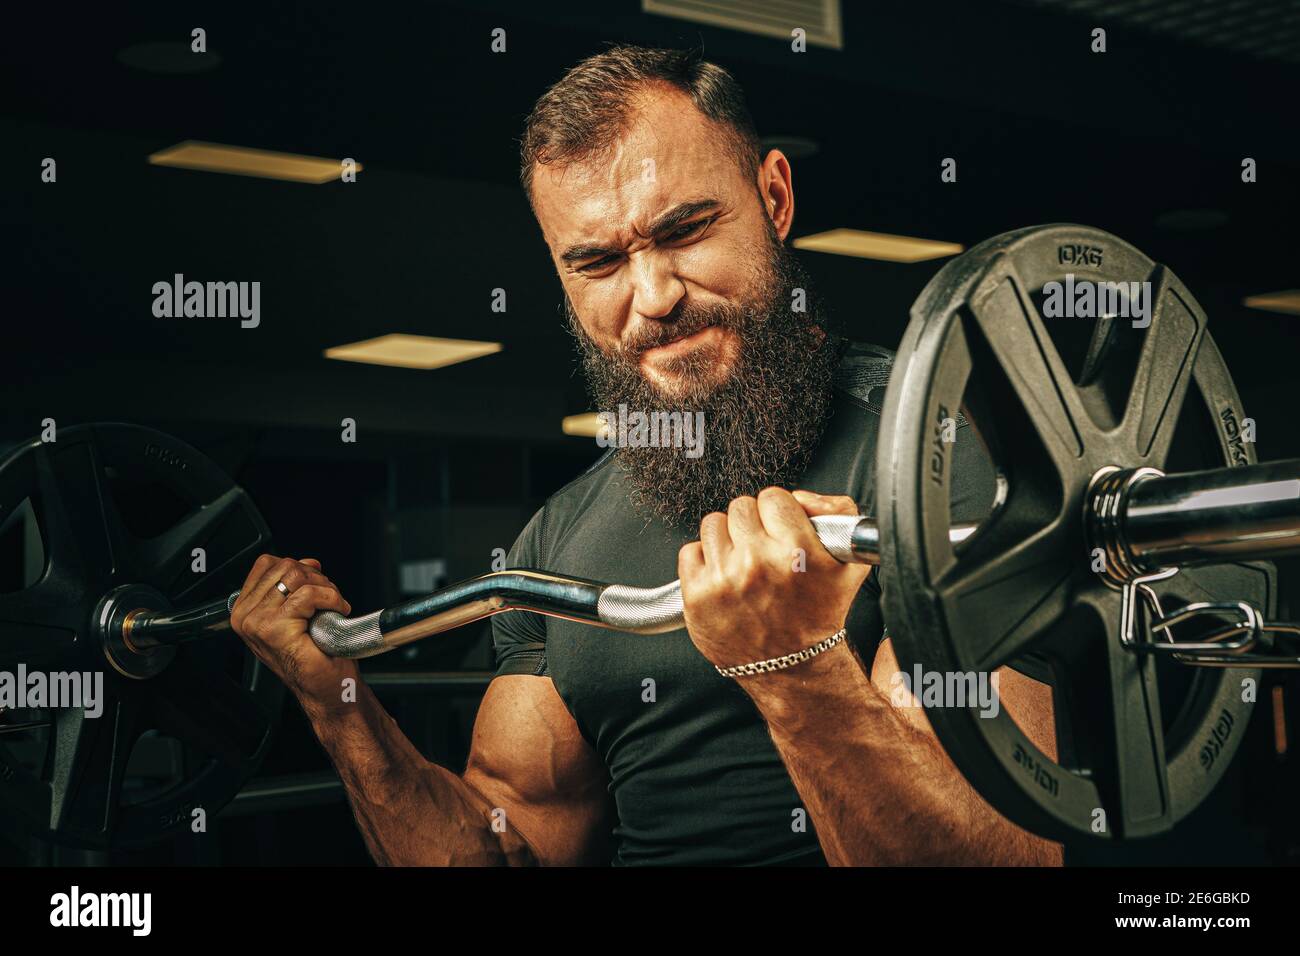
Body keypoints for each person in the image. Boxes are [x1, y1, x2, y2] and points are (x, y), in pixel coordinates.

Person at [230, 46, 1062, 866]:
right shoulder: (559, 544)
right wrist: (334, 702)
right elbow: (505, 847)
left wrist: (795, 665)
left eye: (686, 229)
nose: (654, 295)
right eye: (597, 262)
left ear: (774, 196)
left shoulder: (939, 460)